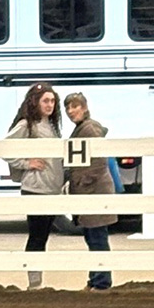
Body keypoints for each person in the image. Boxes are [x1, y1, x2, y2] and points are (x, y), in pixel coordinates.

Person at [5, 83, 63, 290]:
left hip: (52, 189)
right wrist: (26, 163)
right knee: (37, 237)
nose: (50, 105)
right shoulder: (26, 125)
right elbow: (7, 148)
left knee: (44, 236)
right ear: (35, 102)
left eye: (52, 101)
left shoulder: (52, 126)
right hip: (35, 188)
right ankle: (34, 282)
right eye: (45, 101)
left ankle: (37, 279)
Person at [63, 93, 116, 291]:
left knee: (97, 237)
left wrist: (80, 181)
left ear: (84, 107)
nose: (70, 111)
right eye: (68, 108)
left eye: (74, 107)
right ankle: (96, 278)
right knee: (93, 236)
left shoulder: (89, 129)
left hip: (93, 191)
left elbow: (98, 162)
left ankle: (102, 282)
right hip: (89, 191)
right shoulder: (84, 128)